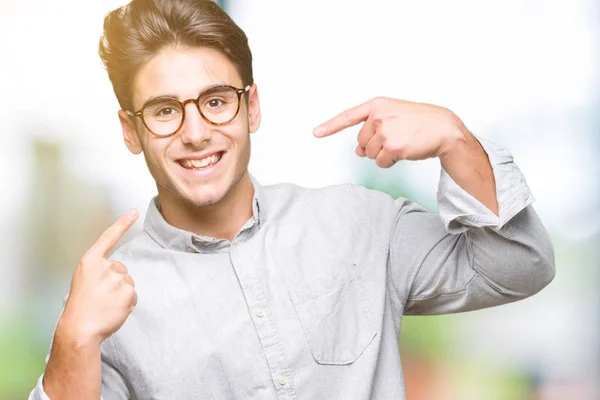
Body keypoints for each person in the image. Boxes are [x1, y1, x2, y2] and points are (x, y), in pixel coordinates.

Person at [29, 0, 555, 399]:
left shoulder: (359, 224)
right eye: (165, 110)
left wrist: (456, 140)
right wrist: (73, 342)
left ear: (251, 108)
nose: (195, 133)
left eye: (216, 101)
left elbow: (519, 265)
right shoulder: (106, 304)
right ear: (130, 130)